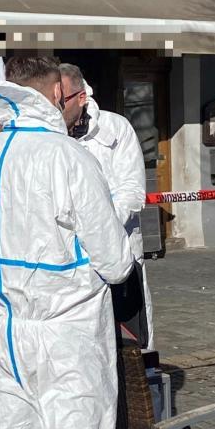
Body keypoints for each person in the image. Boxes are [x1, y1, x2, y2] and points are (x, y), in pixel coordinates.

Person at [0, 57, 134, 429]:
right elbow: (116, 262)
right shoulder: (69, 157)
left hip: (2, 333)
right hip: (68, 338)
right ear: (57, 92)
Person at [59, 63, 153, 350]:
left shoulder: (116, 128)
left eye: (60, 102)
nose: (55, 109)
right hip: (71, 261)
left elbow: (133, 191)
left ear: (81, 97)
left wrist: (98, 226)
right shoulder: (51, 135)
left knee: (131, 348)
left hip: (120, 254)